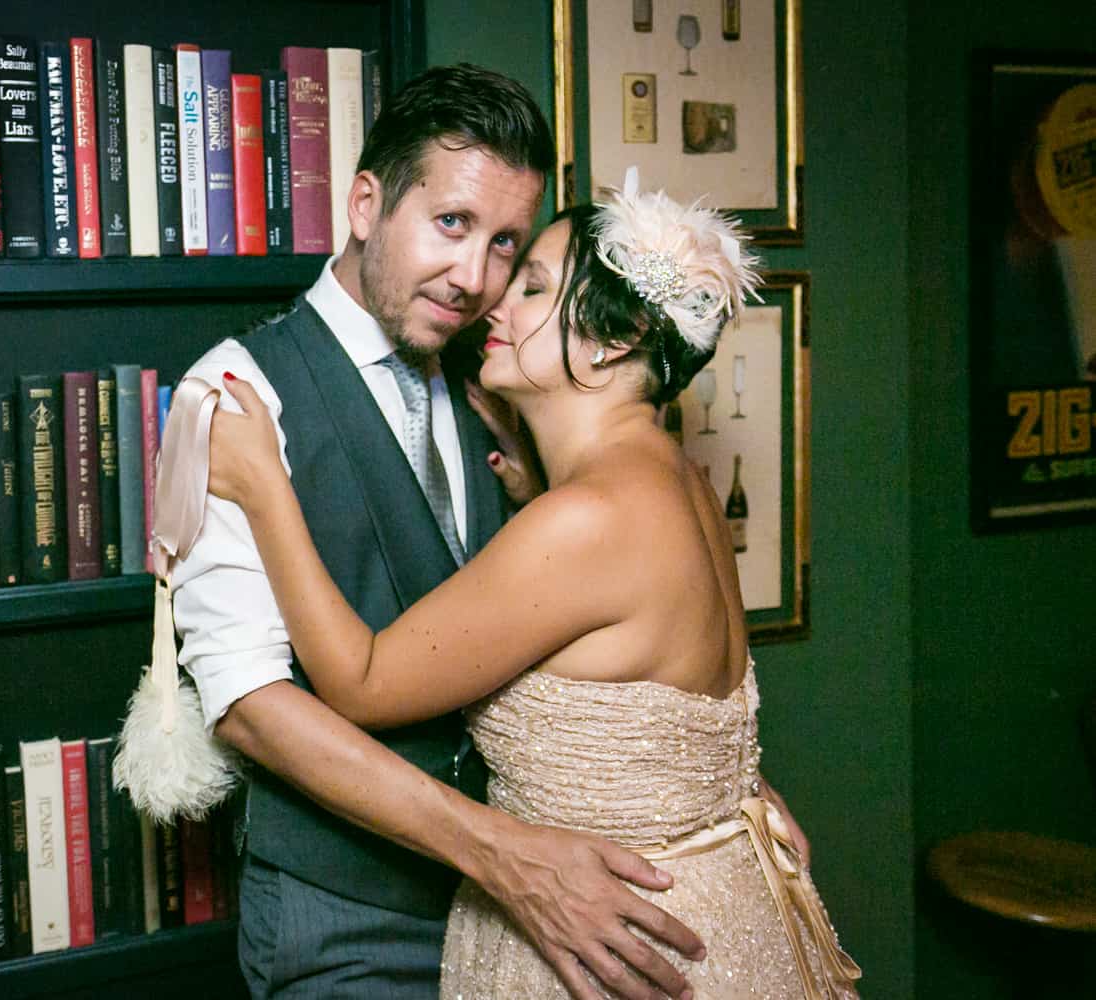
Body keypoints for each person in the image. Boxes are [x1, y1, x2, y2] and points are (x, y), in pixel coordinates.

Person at [170, 64, 801, 1000]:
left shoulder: (500, 381)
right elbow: (248, 702)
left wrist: (706, 797)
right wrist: (504, 853)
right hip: (353, 921)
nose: (476, 280)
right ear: (364, 203)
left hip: (553, 913)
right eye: (452, 224)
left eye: (510, 247)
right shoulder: (229, 396)